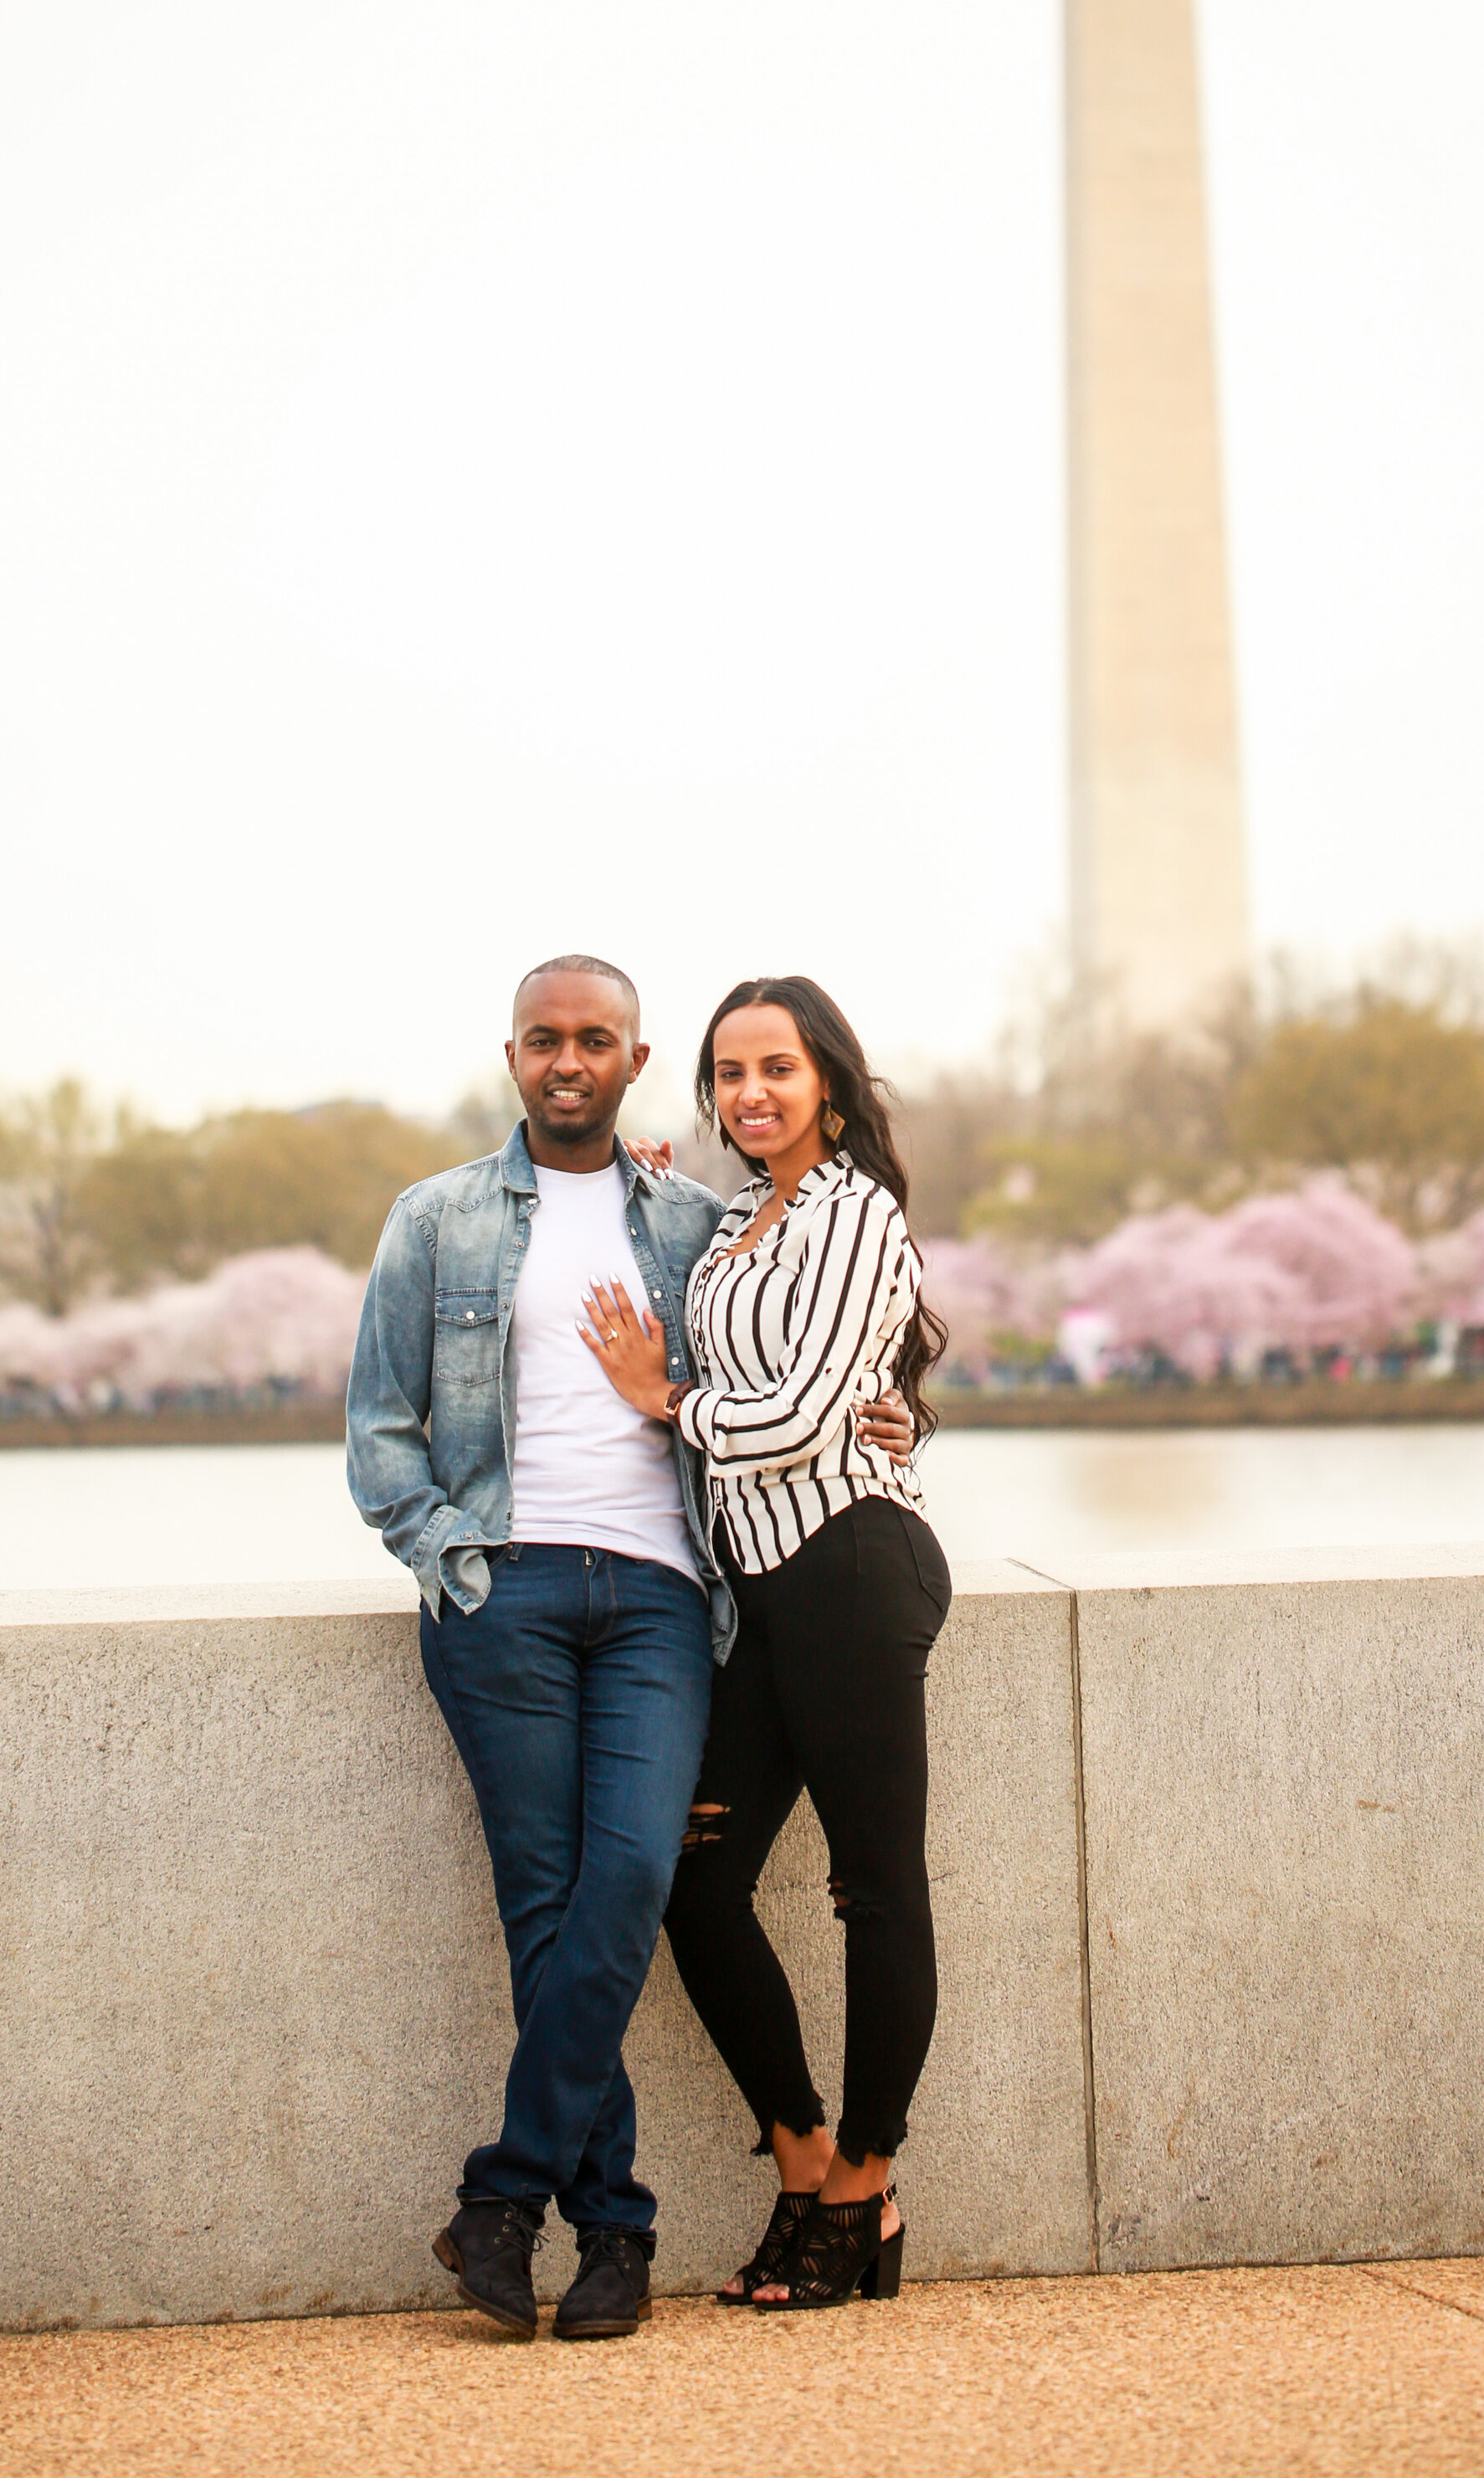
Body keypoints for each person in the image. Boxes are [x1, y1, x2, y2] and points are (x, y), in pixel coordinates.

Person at [344, 957, 913, 2343]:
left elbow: (817, 1352)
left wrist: (896, 1416)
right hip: (508, 1591)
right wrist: (450, 1563)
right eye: (545, 1039)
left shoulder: (697, 1221)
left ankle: (504, 2193)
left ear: (634, 1059)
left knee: (643, 1872)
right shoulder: (436, 1219)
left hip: (665, 1594)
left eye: (595, 1039)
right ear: (513, 1054)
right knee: (549, 1905)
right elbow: (380, 1429)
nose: (568, 1060)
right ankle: (612, 2231)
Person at [582, 973, 950, 2314]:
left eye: (777, 1069)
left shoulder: (859, 1216)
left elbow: (798, 1416)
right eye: (730, 1071)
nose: (750, 1093)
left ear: (832, 1086)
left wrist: (663, 1402)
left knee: (873, 1888)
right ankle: (799, 2153)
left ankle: (867, 2181)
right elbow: (823, 1389)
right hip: (757, 1594)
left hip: (852, 1569)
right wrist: (630, 1184)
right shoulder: (737, 1217)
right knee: (694, 1875)